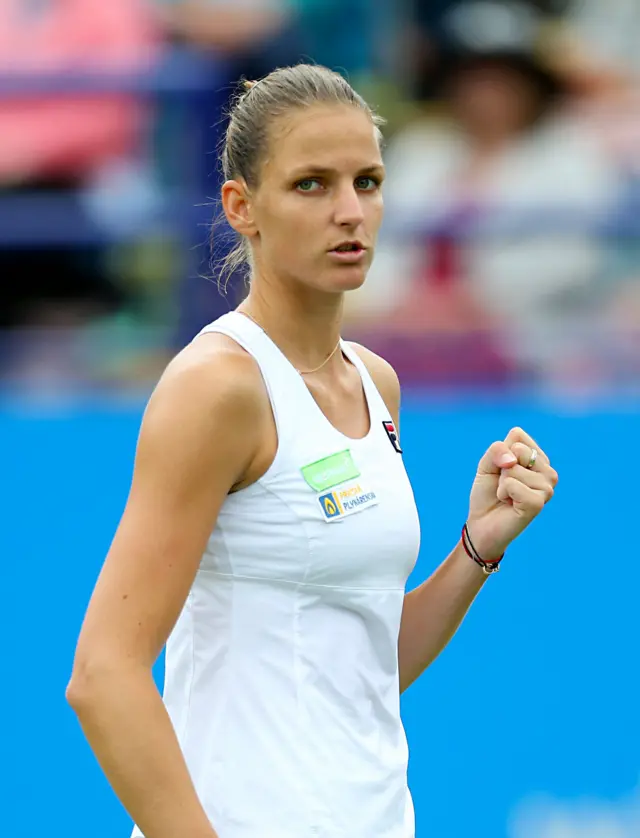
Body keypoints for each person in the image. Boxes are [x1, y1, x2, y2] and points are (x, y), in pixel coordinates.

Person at [66, 65, 558, 838]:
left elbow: (361, 667)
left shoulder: (376, 382)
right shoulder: (217, 387)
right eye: (311, 185)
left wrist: (476, 547)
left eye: (367, 181)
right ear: (241, 207)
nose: (349, 212)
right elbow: (103, 675)